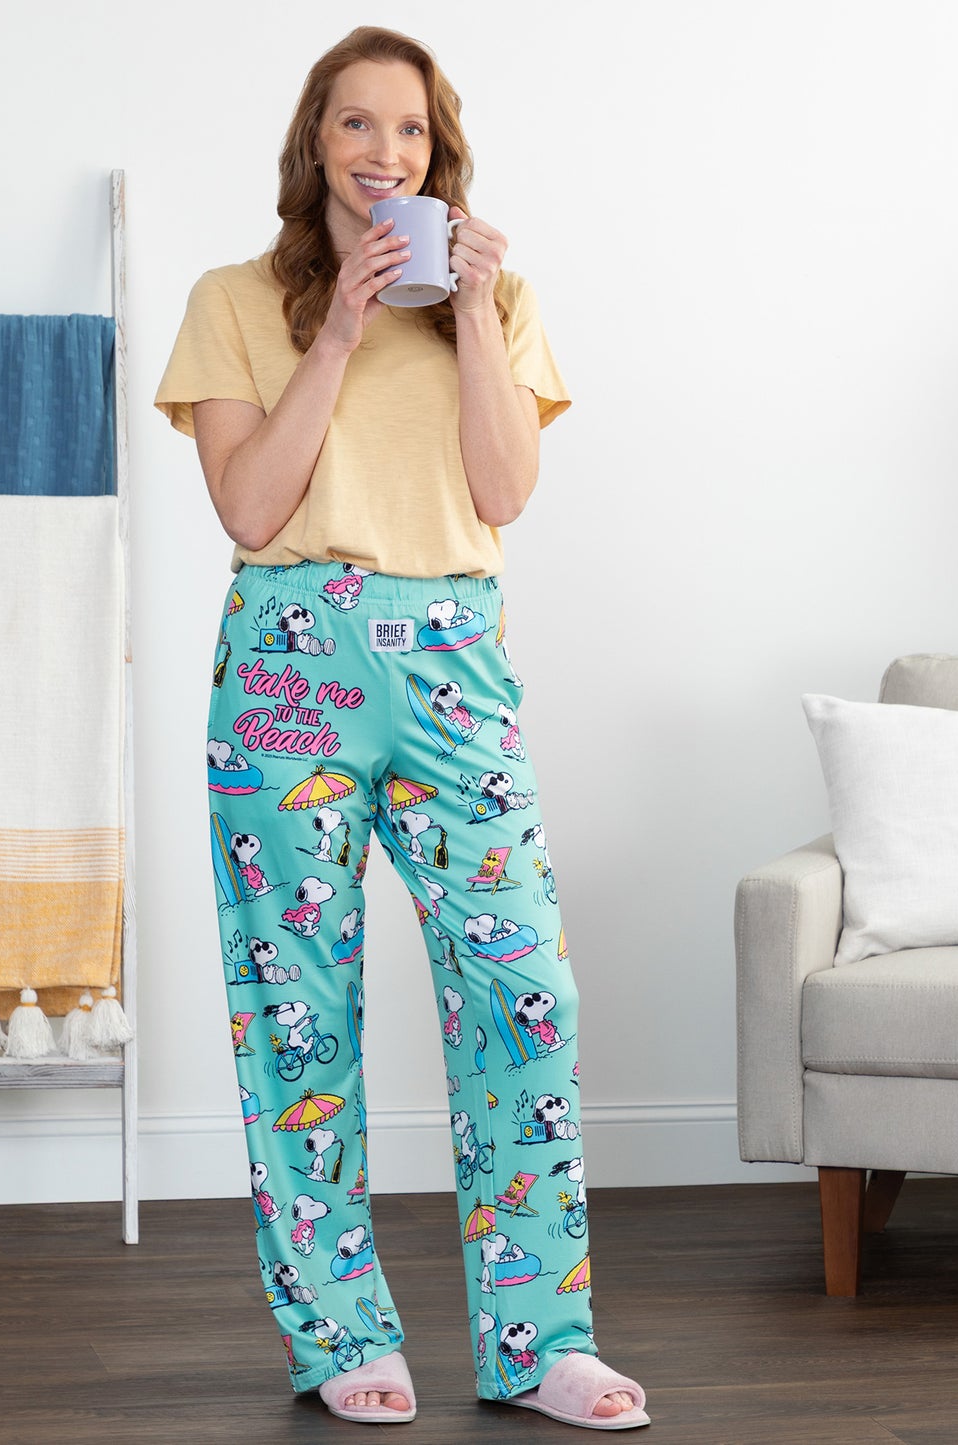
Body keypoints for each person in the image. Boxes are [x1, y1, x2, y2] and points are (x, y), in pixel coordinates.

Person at [156, 25, 649, 1432]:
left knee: (523, 988)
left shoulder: (501, 301)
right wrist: (340, 329)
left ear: (441, 156)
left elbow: (502, 494)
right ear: (314, 141)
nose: (386, 153)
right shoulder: (235, 300)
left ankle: (538, 1342)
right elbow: (250, 505)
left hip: (451, 656)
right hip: (289, 664)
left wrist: (471, 315)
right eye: (358, 124)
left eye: (413, 131)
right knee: (294, 1006)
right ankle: (337, 1329)